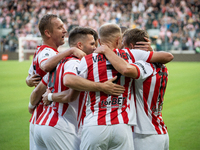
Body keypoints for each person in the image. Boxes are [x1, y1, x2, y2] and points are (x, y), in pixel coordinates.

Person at [72, 23, 173, 150]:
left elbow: (70, 81)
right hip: (123, 126)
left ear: (99, 41)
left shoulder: (87, 59)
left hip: (95, 125)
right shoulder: (131, 55)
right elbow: (168, 56)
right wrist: (150, 51)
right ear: (118, 40)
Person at [29, 27, 125, 150]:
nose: (95, 48)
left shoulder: (58, 63)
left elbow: (37, 91)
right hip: (61, 126)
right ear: (79, 45)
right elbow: (70, 90)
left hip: (41, 125)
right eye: (91, 44)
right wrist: (102, 87)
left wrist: (33, 106)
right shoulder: (75, 63)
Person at [26, 14, 85, 150]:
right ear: (48, 33)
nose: (65, 30)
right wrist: (70, 50)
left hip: (41, 117)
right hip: (50, 115)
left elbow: (31, 77)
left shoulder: (42, 51)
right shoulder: (47, 52)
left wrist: (28, 82)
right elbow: (45, 67)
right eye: (60, 27)